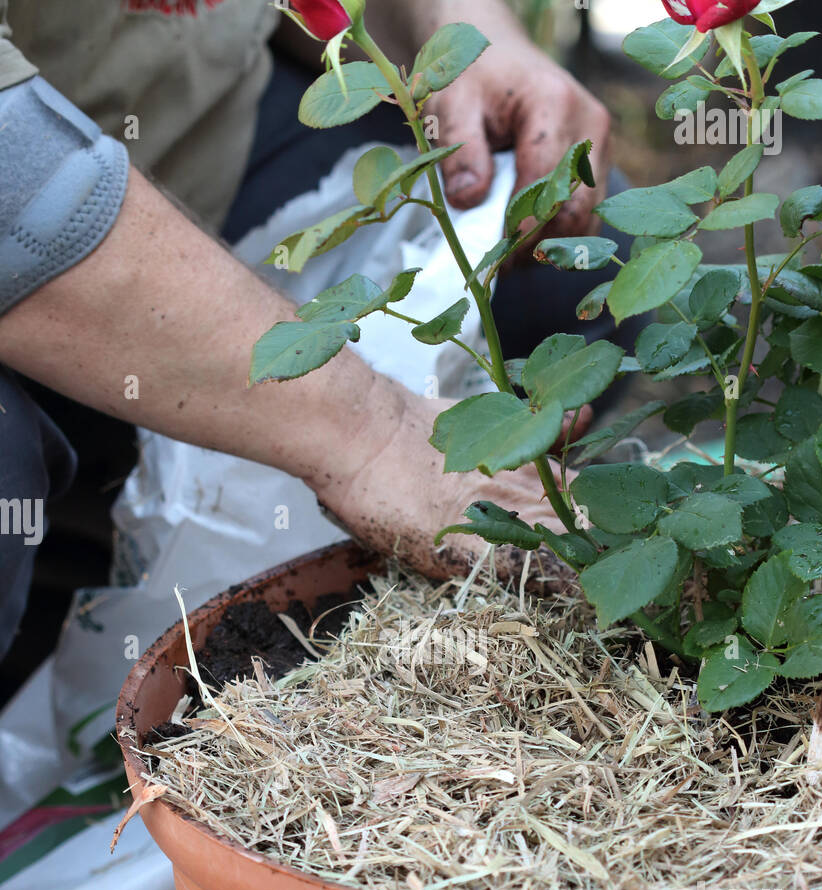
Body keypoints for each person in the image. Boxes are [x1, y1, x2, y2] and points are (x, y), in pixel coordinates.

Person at [0, 0, 616, 665]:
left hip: (209, 133)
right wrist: (372, 434)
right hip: (29, 178)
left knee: (563, 265)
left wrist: (461, 31)